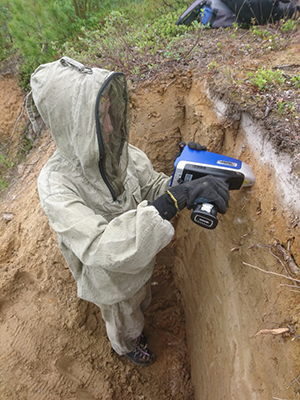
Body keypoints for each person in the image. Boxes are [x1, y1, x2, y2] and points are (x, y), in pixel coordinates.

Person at [31, 57, 229, 366]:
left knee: (141, 298)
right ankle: (126, 346)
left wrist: (187, 177)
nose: (109, 125)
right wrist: (173, 201)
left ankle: (135, 320)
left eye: (109, 111)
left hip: (139, 263)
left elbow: (150, 186)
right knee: (125, 319)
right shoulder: (56, 186)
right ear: (70, 123)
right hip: (109, 282)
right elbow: (100, 246)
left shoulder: (118, 151)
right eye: (97, 118)